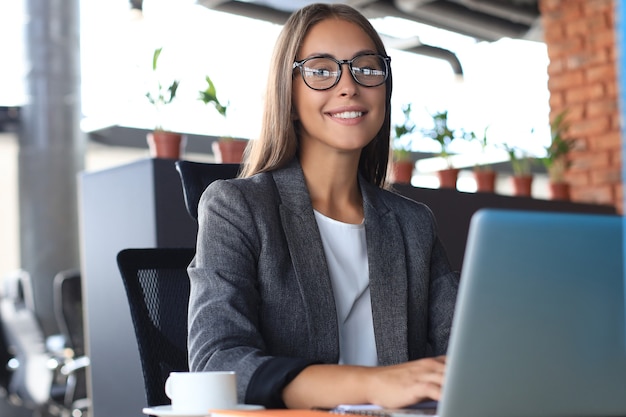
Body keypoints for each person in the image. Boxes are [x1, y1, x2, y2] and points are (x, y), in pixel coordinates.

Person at [187, 2, 459, 410]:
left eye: (366, 67)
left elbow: (465, 350)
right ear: (289, 94)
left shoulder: (412, 224)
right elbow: (217, 363)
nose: (349, 85)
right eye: (320, 70)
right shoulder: (238, 207)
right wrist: (372, 385)